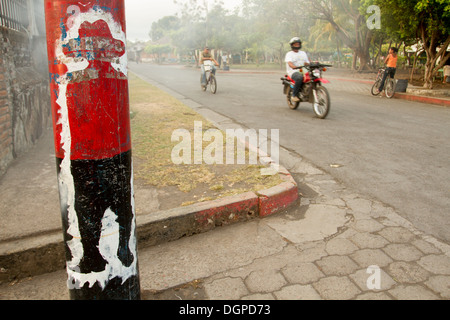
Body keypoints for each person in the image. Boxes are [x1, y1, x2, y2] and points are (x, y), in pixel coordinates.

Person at [285, 37, 310, 102]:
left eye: (298, 44)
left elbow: (306, 62)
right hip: (293, 71)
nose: (297, 45)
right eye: (295, 44)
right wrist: (293, 66)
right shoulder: (289, 54)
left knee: (313, 76)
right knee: (299, 78)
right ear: (292, 45)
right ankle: (294, 95)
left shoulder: (303, 53)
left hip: (303, 70)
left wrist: (312, 64)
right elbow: (289, 63)